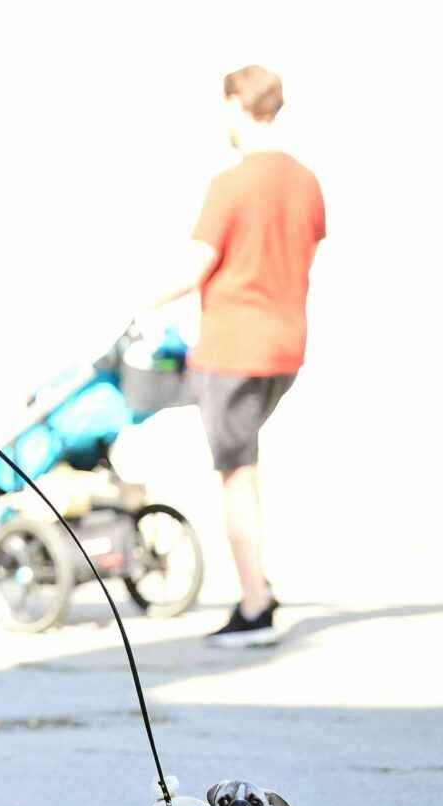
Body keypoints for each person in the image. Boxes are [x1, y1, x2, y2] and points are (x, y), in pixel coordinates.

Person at [143, 65, 325, 647]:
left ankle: (255, 607)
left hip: (233, 350)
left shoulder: (232, 184)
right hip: (285, 347)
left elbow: (196, 264)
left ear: (235, 105)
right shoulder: (306, 182)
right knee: (243, 465)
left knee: (237, 477)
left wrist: (139, 298)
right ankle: (258, 585)